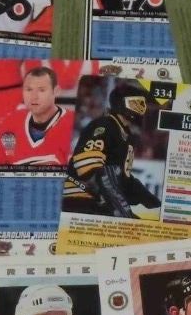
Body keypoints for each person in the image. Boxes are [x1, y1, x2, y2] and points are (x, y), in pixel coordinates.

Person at [63, 79, 161, 217]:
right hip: (78, 198)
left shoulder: (126, 135)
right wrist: (117, 205)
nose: (141, 109)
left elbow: (122, 179)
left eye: (142, 104)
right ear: (121, 104)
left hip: (100, 200)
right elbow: (88, 170)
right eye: (136, 104)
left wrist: (148, 199)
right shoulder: (104, 125)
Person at [0, 66, 72, 167]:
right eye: (29, 90)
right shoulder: (9, 123)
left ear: (55, 91)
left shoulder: (73, 124)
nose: (34, 96)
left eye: (41, 90)